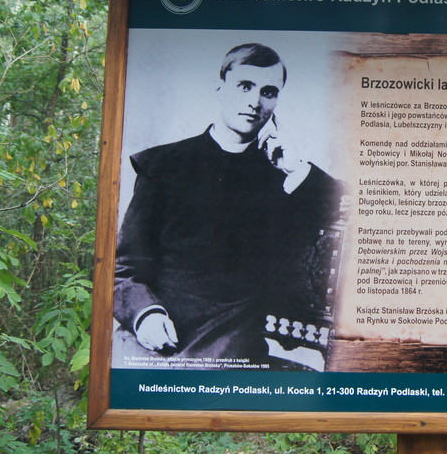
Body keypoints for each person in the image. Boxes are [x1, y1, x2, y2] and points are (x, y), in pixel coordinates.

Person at [113, 43, 344, 371]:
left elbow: (346, 209)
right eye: (244, 86)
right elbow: (124, 266)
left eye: (268, 91)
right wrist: (144, 314)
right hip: (159, 329)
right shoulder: (165, 164)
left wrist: (297, 167)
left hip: (231, 337)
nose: (254, 102)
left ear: (277, 100)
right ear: (220, 89)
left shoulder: (279, 174)